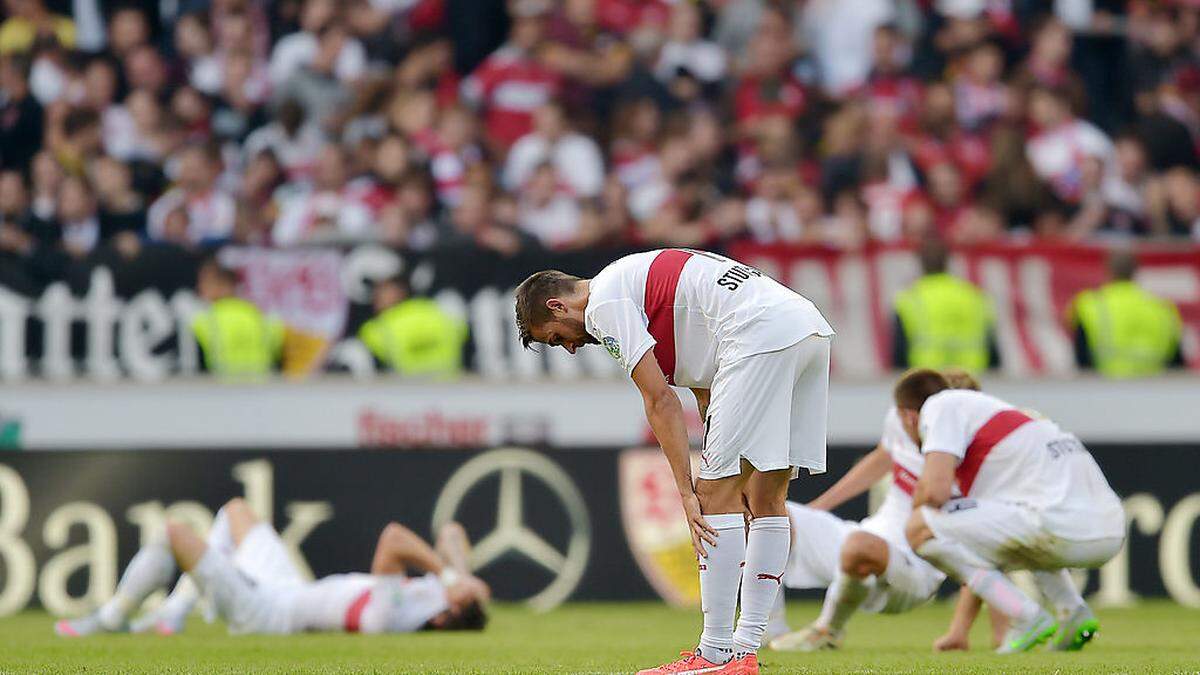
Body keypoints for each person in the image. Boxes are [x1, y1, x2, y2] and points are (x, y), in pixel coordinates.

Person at [514, 248, 834, 675]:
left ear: (558, 305)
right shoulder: (638, 289)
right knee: (766, 496)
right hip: (804, 328)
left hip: (758, 336)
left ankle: (714, 652)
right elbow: (704, 391)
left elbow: (659, 400)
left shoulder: (605, 304)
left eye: (557, 337)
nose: (570, 349)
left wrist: (687, 491)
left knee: (711, 498)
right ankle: (745, 652)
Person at [770, 369, 1008, 653]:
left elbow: (983, 556)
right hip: (867, 539)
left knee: (859, 545)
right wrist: (817, 509)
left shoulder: (980, 460)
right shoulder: (902, 420)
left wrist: (972, 632)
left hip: (915, 572)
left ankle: (826, 630)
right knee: (768, 515)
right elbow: (881, 458)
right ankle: (768, 629)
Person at [897, 369, 1126, 653]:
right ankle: (1072, 611)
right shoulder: (1015, 424)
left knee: (919, 527)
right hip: (1109, 530)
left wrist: (916, 510)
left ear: (908, 416)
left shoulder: (941, 405)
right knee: (1014, 529)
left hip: (1060, 525)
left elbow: (935, 493)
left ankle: (1025, 616)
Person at [56, 498, 489, 637]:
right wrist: (457, 574)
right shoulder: (432, 596)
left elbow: (394, 538)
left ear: (446, 613)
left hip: (264, 613)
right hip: (286, 587)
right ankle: (177, 608)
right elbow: (452, 533)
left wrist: (452, 578)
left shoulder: (395, 611)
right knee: (236, 510)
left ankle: (110, 617)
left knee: (174, 533)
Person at [1068, 250, 1184, 378]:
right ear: (1135, 272)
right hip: (1154, 389)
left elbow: (1082, 360)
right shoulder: (1162, 308)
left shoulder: (1089, 305)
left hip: (1105, 388)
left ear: (1108, 271)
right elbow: (1178, 365)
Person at [893, 237, 998, 373]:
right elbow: (992, 348)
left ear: (919, 262)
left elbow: (899, 352)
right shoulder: (975, 296)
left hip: (928, 380)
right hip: (973, 379)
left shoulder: (908, 299)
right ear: (948, 260)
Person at [358, 275, 468, 377]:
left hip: (405, 391)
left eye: (382, 290)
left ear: (400, 292)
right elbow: (462, 332)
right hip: (450, 388)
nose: (376, 296)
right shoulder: (441, 313)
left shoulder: (377, 329)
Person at [192, 259, 284, 377]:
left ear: (225, 285)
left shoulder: (203, 320)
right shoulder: (259, 316)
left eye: (206, 282)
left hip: (218, 389)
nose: (199, 287)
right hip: (262, 387)